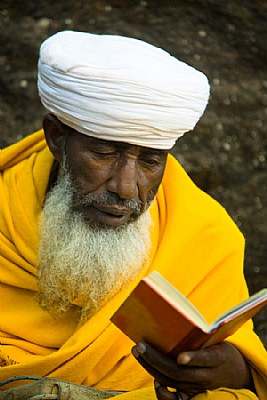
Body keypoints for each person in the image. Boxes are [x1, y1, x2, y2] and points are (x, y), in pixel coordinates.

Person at [0, 31, 266, 400]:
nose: (126, 188)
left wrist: (231, 371)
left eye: (150, 161)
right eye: (105, 153)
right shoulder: (4, 207)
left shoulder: (207, 235)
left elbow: (244, 374)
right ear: (57, 138)